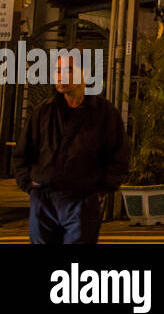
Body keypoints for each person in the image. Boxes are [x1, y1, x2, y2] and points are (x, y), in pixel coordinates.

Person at [15, 54, 128, 244]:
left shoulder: (104, 113)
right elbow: (22, 153)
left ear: (85, 74)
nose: (61, 76)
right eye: (58, 71)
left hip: (82, 201)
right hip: (44, 200)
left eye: (68, 70)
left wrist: (100, 190)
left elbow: (119, 157)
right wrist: (29, 185)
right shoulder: (44, 111)